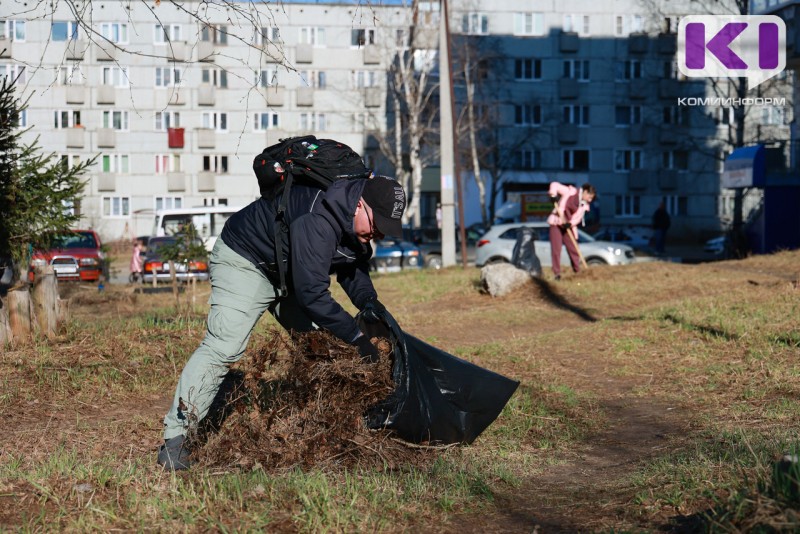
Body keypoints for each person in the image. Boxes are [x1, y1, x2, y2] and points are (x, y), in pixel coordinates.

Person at [157, 175, 407, 470]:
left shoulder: (353, 219)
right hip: (246, 259)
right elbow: (314, 296)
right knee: (225, 346)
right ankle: (176, 440)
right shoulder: (318, 218)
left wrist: (369, 302)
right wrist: (356, 338)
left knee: (321, 345)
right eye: (377, 226)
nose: (379, 235)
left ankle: (326, 425)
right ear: (359, 206)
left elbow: (352, 266)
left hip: (288, 272)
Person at [547, 182, 596, 280]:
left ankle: (577, 271)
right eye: (589, 197)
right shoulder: (570, 192)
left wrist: (570, 223)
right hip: (556, 223)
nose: (590, 200)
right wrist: (553, 195)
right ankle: (556, 273)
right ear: (585, 192)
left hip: (567, 226)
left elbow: (578, 218)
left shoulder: (584, 205)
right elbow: (554, 185)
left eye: (591, 198)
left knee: (573, 249)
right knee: (556, 249)